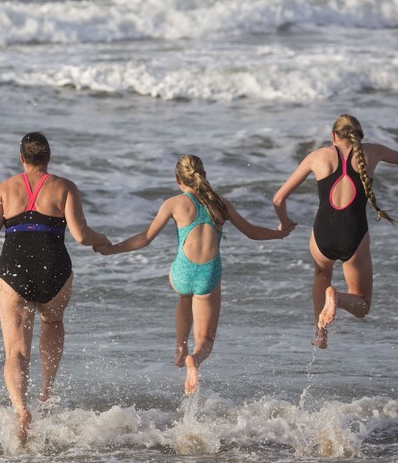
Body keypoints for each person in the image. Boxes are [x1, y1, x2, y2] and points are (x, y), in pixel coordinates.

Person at [94, 155, 294, 395]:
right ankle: (194, 359)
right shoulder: (221, 203)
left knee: (184, 295)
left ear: (177, 178)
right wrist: (280, 234)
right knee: (206, 339)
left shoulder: (174, 203)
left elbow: (145, 238)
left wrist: (111, 249)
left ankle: (180, 347)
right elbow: (252, 232)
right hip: (208, 276)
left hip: (180, 273)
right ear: (204, 175)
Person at [272, 114, 398, 348]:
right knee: (362, 305)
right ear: (359, 135)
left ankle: (321, 333)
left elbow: (278, 198)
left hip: (322, 233)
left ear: (333, 135)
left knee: (321, 275)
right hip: (353, 234)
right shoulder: (372, 152)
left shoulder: (317, 157)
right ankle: (337, 298)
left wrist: (284, 224)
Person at [0, 132, 110, 445]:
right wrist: (102, 240)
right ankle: (46, 390)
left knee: (16, 350)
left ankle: (21, 409)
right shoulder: (65, 187)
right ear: (48, 157)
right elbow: (82, 236)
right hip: (54, 270)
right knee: (52, 322)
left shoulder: (5, 188)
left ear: (21, 158)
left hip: (14, 271)